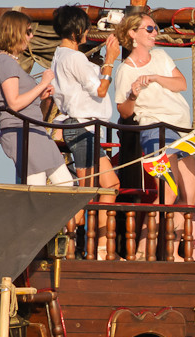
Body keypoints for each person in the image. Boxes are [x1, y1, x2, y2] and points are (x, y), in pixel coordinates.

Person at [113, 12, 195, 258]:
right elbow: (124, 111)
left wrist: (155, 78)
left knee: (191, 193)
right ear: (133, 34)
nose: (155, 33)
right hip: (156, 130)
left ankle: (172, 251)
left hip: (182, 128)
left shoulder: (161, 56)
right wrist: (133, 95)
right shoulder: (125, 70)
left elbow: (180, 84)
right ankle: (142, 249)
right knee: (168, 192)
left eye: (155, 28)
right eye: (149, 29)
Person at [0, 10, 74, 186]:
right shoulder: (5, 63)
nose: (31, 36)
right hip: (24, 132)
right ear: (15, 33)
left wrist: (39, 95)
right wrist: (43, 83)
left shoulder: (5, 61)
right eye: (27, 32)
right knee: (37, 187)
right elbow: (14, 103)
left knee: (65, 183)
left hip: (34, 132)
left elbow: (19, 99)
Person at [51, 6, 120, 219]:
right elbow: (100, 89)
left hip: (83, 128)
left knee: (110, 184)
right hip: (80, 127)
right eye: (85, 29)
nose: (87, 33)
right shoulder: (74, 58)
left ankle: (99, 244)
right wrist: (110, 59)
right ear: (75, 32)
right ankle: (67, 240)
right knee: (86, 193)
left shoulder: (59, 55)